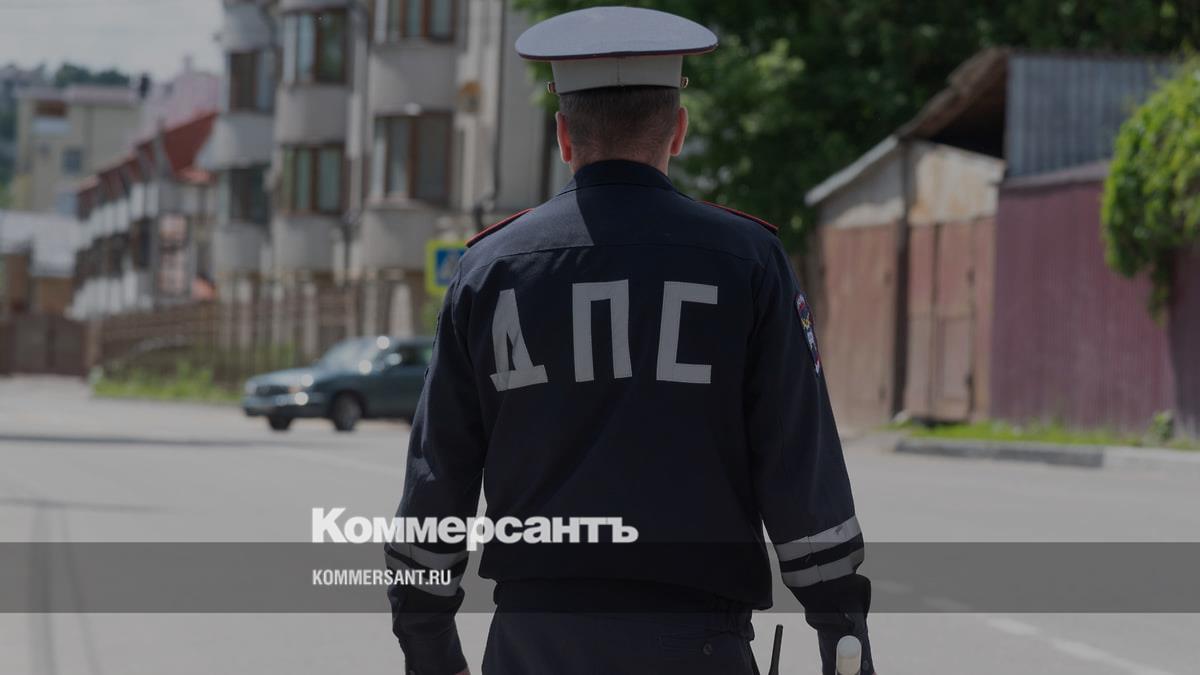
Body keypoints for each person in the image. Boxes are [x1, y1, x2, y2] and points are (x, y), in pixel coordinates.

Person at [384, 6, 874, 674]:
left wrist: (429, 648)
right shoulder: (748, 261)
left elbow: (437, 479)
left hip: (532, 644)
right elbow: (800, 468)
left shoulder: (488, 270)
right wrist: (844, 639)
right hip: (697, 643)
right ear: (678, 129)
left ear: (563, 136)